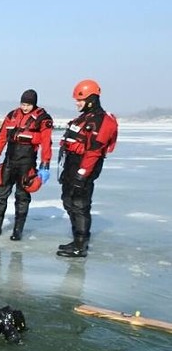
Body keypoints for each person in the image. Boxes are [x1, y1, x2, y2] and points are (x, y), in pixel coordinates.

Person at [0, 89, 53, 241]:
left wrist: (45, 165)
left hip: (27, 163)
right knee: (1, 194)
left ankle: (17, 230)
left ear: (34, 104)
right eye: (23, 104)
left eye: (28, 104)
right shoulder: (12, 115)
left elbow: (46, 143)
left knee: (22, 196)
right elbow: (1, 137)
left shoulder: (43, 119)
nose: (25, 107)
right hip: (9, 160)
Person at [56, 79, 118, 257]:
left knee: (80, 204)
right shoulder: (83, 118)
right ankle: (76, 239)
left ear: (91, 99)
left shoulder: (103, 121)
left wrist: (82, 174)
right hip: (71, 164)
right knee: (68, 201)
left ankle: (81, 245)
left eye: (79, 100)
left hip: (84, 166)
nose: (77, 103)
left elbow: (94, 151)